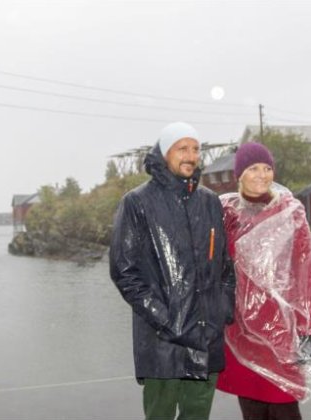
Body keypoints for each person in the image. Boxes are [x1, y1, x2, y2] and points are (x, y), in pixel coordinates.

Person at [109, 121, 236, 420]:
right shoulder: (136, 202)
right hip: (161, 343)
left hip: (207, 338)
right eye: (182, 148)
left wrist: (223, 309)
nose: (190, 156)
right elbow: (124, 272)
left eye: (195, 149)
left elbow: (225, 267)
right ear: (165, 153)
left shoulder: (209, 201)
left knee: (197, 416)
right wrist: (167, 321)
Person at [216, 142, 311, 420]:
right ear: (239, 173)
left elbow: (306, 275)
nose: (262, 175)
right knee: (252, 409)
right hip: (239, 329)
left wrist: (310, 327)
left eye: (267, 168)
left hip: (281, 329)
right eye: (253, 168)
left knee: (284, 407)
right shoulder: (226, 214)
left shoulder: (290, 212)